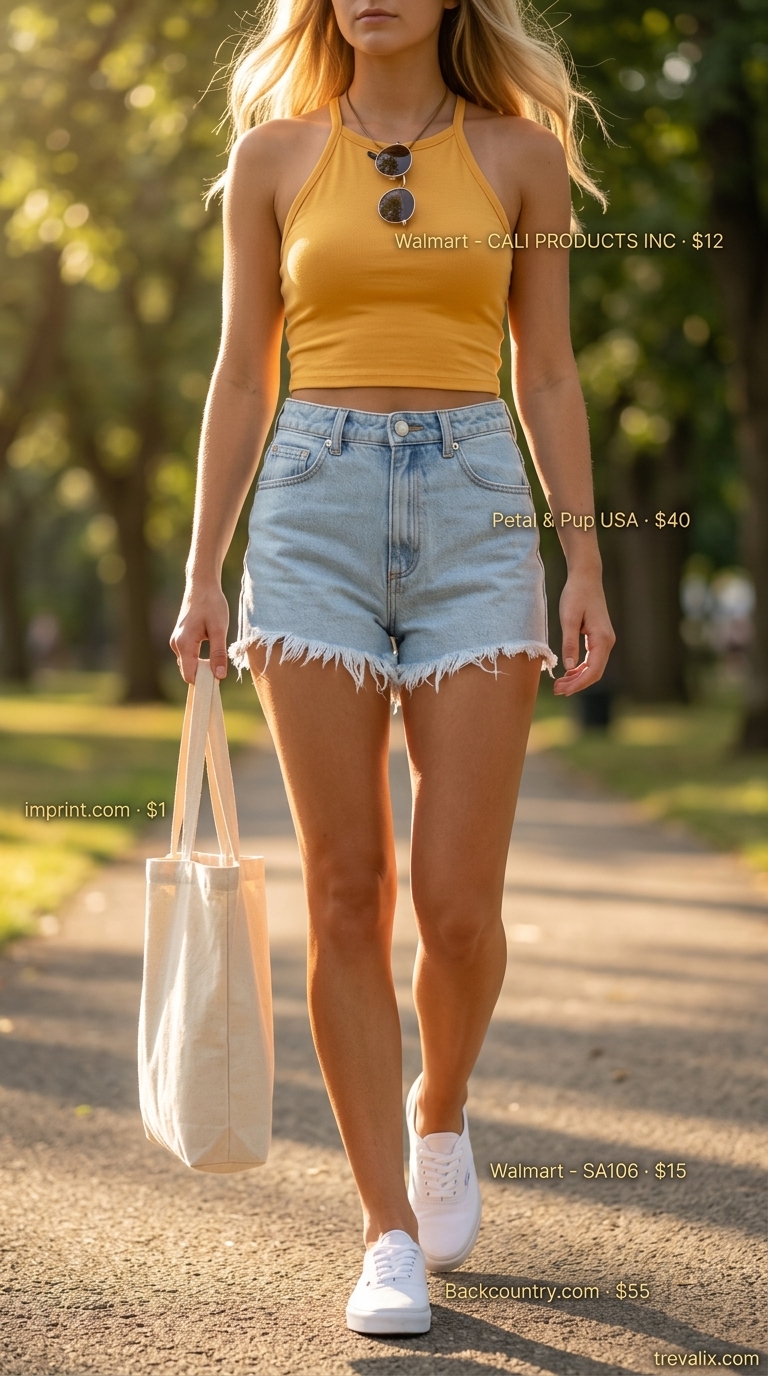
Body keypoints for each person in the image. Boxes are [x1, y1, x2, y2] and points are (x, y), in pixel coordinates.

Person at [170, 0, 615, 1337]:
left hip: (480, 505)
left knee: (460, 903)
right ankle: (387, 1233)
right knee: (347, 887)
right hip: (310, 510)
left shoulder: (523, 155)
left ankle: (440, 1111)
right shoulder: (273, 158)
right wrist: (202, 569)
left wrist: (586, 560)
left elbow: (546, 368)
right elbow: (243, 374)